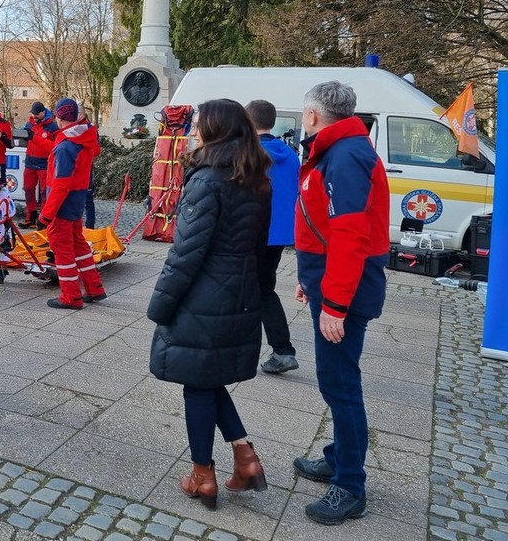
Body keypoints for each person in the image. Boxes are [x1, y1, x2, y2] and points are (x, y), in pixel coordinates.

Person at [146, 99, 272, 511]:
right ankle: (245, 455)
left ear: (214, 130)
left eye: (198, 124)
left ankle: (202, 475)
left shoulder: (206, 180)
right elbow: (261, 248)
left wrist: (161, 304)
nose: (192, 130)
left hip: (204, 295)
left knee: (197, 385)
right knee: (209, 377)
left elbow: (186, 253)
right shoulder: (254, 177)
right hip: (239, 293)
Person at [293, 81, 390, 525]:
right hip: (332, 282)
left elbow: (350, 236)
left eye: (303, 113)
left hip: (345, 290)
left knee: (340, 385)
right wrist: (311, 283)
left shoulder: (346, 155)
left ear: (313, 116)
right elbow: (322, 226)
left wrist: (334, 302)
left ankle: (350, 485)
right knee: (336, 380)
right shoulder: (341, 150)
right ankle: (337, 457)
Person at [245, 99, 300, 374]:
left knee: (244, 288)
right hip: (279, 233)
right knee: (264, 289)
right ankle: (281, 350)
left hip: (252, 231)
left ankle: (274, 349)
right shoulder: (290, 154)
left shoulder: (248, 153)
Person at [38, 98, 106, 309]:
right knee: (80, 246)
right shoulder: (84, 140)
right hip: (76, 203)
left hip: (61, 206)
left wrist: (45, 215)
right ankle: (94, 288)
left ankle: (70, 296)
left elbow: (60, 184)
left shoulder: (66, 146)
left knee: (62, 250)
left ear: (58, 117)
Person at [20, 101, 57, 228]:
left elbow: (55, 147)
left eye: (36, 114)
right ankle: (30, 216)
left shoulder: (52, 127)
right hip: (30, 162)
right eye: (33, 114)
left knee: (44, 193)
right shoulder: (29, 124)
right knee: (28, 189)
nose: (34, 116)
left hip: (44, 163)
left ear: (43, 113)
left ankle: (44, 219)